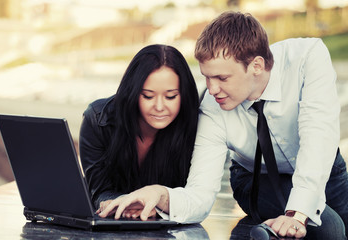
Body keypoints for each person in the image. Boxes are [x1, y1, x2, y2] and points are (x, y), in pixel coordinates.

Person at [98, 11, 348, 239]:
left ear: (256, 66)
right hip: (255, 180)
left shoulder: (308, 58)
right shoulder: (212, 106)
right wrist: (159, 194)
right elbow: (200, 194)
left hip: (325, 169)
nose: (212, 88)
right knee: (330, 229)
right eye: (207, 77)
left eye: (222, 78)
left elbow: (318, 139)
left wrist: (296, 213)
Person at [79, 44, 199, 219]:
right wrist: (127, 203)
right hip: (112, 224)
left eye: (171, 96)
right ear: (133, 93)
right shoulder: (98, 120)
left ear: (184, 95)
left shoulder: (197, 125)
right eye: (148, 96)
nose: (159, 107)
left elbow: (195, 196)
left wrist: (158, 207)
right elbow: (99, 191)